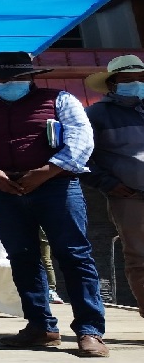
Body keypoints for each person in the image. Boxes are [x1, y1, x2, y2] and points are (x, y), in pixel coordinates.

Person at [0, 51, 108, 357]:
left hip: (57, 186)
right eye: (2, 79)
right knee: (22, 258)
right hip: (3, 191)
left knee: (74, 255)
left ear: (30, 79)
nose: (8, 83)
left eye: (16, 78)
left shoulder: (61, 100)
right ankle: (40, 326)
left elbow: (81, 141)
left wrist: (47, 171)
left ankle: (90, 330)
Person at [83, 54, 144, 318]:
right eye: (128, 80)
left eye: (141, 79)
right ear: (112, 84)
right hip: (130, 195)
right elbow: (82, 157)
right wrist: (106, 183)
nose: (137, 84)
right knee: (139, 257)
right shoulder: (95, 114)